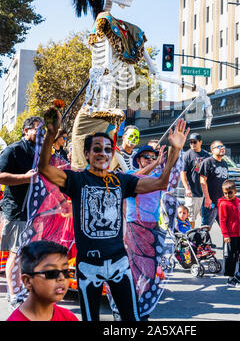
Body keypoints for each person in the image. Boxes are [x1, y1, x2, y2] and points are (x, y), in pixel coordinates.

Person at [37, 108, 189, 321]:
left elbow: (161, 183)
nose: (103, 153)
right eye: (97, 149)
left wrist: (174, 150)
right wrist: (50, 135)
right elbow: (44, 168)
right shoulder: (76, 180)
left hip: (119, 263)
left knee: (131, 319)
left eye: (108, 149)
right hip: (88, 266)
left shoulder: (121, 181)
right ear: (87, 154)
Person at [0, 115, 43, 308]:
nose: (41, 133)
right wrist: (25, 178)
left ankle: (22, 288)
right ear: (26, 130)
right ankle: (13, 292)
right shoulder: (13, 150)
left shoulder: (41, 152)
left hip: (36, 211)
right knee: (15, 254)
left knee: (26, 253)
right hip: (17, 210)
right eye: (37, 129)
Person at [6, 240, 78, 321]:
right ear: (27, 281)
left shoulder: (68, 317)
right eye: (51, 273)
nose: (62, 278)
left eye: (66, 272)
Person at [218, 179, 240, 288]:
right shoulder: (223, 204)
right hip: (230, 235)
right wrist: (225, 235)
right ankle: (230, 279)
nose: (227, 195)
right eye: (225, 193)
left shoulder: (238, 201)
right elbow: (222, 221)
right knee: (231, 257)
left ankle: (239, 273)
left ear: (235, 191)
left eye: (230, 192)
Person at [180, 133, 210, 228]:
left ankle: (201, 239)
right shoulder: (187, 155)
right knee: (190, 218)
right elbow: (183, 173)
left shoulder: (206, 155)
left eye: (195, 142)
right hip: (192, 193)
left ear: (200, 142)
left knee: (206, 220)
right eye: (191, 142)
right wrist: (187, 188)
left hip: (204, 194)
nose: (192, 144)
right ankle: (189, 238)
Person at [199, 140, 228, 229]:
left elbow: (225, 183)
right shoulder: (207, 162)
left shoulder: (224, 163)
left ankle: (228, 244)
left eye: (223, 147)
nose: (222, 148)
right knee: (206, 229)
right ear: (212, 150)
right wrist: (207, 199)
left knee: (226, 228)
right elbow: (202, 181)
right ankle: (203, 243)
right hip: (210, 202)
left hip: (222, 202)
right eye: (219, 147)